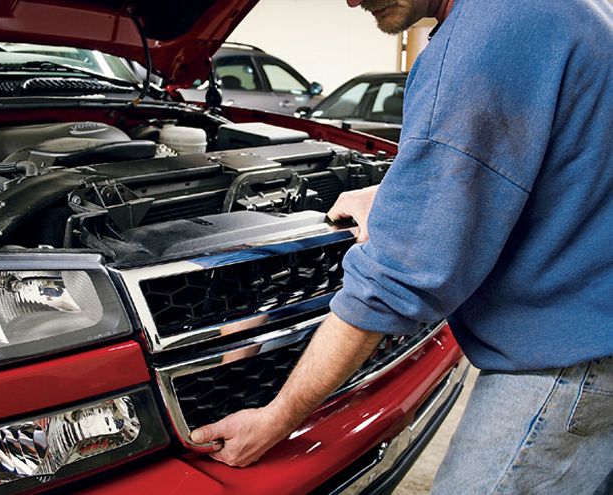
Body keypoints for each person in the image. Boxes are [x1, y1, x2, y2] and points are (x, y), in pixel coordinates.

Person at [190, 0, 613, 492]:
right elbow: (560, 162)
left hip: (562, 365)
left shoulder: (484, 37)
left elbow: (398, 279)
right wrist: (402, 195)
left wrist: (275, 420)